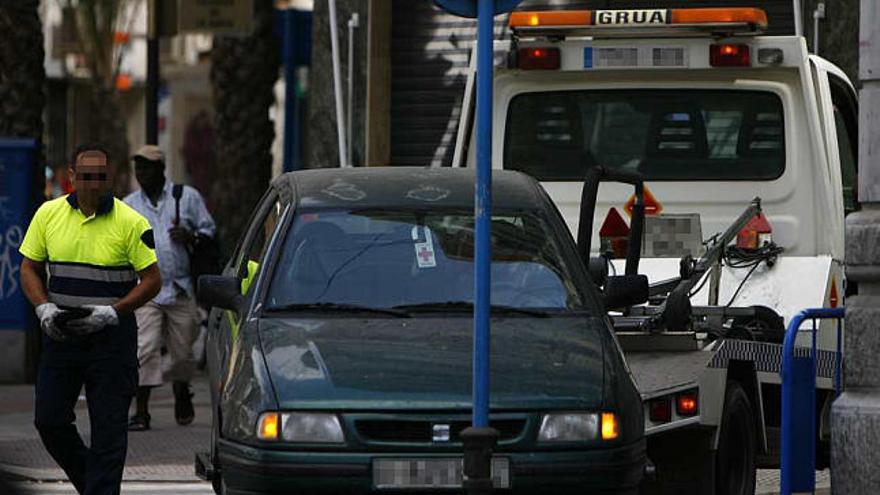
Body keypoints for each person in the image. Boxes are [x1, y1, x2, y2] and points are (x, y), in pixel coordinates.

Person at [19, 143, 161, 495]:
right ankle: (94, 484)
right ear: (72, 177)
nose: (93, 185)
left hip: (110, 340)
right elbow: (29, 268)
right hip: (62, 335)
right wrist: (43, 307)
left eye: (100, 177)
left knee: (109, 431)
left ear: (109, 177)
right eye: (86, 177)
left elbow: (153, 280)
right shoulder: (48, 215)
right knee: (49, 420)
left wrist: (112, 312)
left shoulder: (131, 222)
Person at [123, 145, 216, 431]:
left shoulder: (186, 197)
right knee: (145, 349)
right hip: (146, 290)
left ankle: (181, 389)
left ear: (161, 169)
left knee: (182, 353)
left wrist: (191, 236)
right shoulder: (128, 205)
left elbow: (209, 230)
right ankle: (141, 412)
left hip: (179, 287)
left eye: (148, 166)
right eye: (138, 167)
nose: (142, 173)